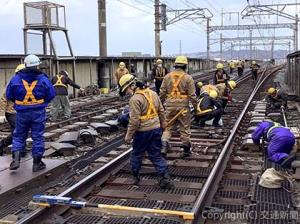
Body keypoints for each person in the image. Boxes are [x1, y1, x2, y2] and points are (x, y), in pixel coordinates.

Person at [118, 74, 174, 189]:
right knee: (156, 155)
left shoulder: (134, 99)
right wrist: (163, 126)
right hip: (156, 130)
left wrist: (128, 137)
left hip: (142, 133)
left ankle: (135, 176)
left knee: (137, 154)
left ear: (132, 86)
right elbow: (161, 111)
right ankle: (165, 178)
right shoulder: (153, 93)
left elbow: (134, 122)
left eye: (127, 90)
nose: (127, 92)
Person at [6, 54, 55, 172]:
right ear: (38, 65)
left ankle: (16, 159)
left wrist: (21, 104)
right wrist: (41, 103)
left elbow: (9, 95)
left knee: (18, 136)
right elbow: (51, 95)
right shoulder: (43, 79)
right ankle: (37, 164)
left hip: (21, 112)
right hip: (38, 112)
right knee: (37, 137)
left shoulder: (15, 79)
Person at [160, 56, 198, 158]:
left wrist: (160, 106)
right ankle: (186, 151)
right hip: (183, 108)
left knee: (167, 127)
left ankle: (163, 147)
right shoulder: (188, 78)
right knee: (184, 128)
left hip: (169, 106)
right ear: (185, 66)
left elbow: (162, 93)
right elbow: (192, 96)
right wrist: (197, 108)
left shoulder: (167, 77)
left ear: (175, 65)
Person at [0, 64, 26, 156]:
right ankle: (20, 152)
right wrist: (2, 114)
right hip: (11, 112)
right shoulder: (12, 83)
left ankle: (3, 145)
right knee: (19, 130)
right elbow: (4, 98)